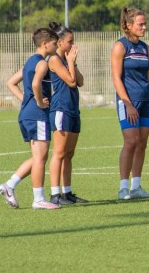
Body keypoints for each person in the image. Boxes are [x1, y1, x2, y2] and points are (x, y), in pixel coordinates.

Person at [0, 28, 60, 209]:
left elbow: (10, 82)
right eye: (54, 43)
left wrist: (27, 100)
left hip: (26, 114)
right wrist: (39, 101)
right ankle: (38, 199)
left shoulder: (29, 62)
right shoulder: (42, 63)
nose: (56, 46)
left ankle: (9, 185)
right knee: (41, 158)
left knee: (38, 157)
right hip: (37, 115)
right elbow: (34, 84)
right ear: (45, 44)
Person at [110, 7, 149, 201]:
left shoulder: (146, 48)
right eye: (140, 24)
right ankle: (123, 188)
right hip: (128, 102)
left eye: (144, 23)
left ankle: (136, 187)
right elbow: (116, 78)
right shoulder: (120, 47)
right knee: (130, 141)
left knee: (142, 143)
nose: (144, 27)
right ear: (128, 25)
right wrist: (127, 103)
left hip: (147, 102)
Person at [47, 22, 88, 205]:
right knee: (59, 152)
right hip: (61, 109)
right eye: (70, 41)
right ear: (60, 42)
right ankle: (55, 194)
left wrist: (73, 62)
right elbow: (70, 82)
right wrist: (70, 62)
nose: (73, 45)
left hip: (73, 109)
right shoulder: (54, 59)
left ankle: (67, 192)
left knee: (69, 153)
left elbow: (80, 81)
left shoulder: (67, 59)